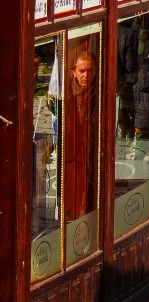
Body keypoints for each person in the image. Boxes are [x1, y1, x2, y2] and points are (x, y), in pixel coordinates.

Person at [62, 46, 97, 220]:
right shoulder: (67, 95)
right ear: (73, 72)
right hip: (73, 153)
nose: (86, 76)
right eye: (82, 71)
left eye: (90, 71)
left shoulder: (97, 93)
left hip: (91, 150)